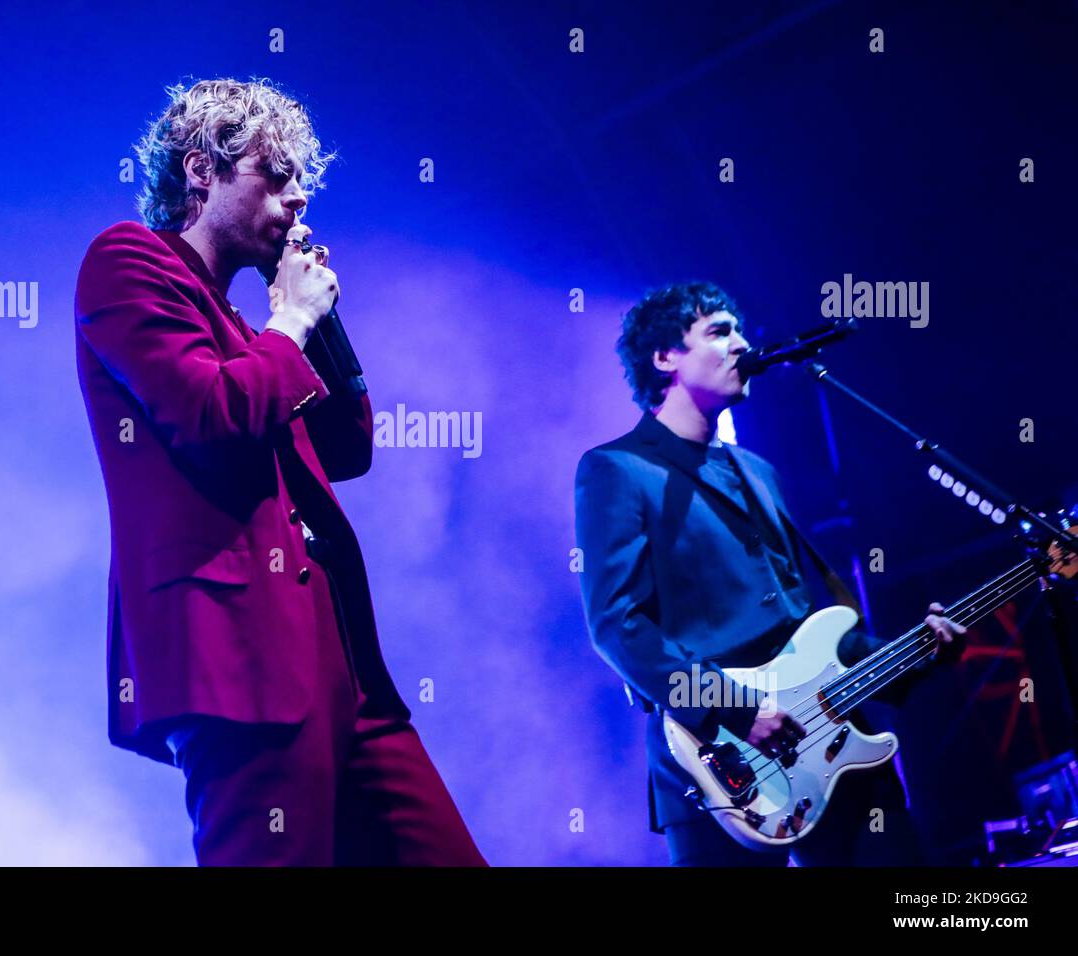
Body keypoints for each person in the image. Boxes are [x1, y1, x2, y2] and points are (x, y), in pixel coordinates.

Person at [74, 77, 485, 866]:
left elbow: (347, 447)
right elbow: (208, 414)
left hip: (345, 666)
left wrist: (314, 321)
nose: (298, 201)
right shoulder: (126, 262)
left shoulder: (245, 321)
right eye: (278, 177)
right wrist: (290, 320)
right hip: (241, 659)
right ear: (203, 171)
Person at [573, 282, 964, 866]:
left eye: (740, 330)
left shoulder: (758, 471)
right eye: (720, 331)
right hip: (715, 762)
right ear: (664, 358)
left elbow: (804, 623)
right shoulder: (618, 469)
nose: (743, 344)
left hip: (829, 741)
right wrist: (736, 708)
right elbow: (617, 626)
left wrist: (916, 651)